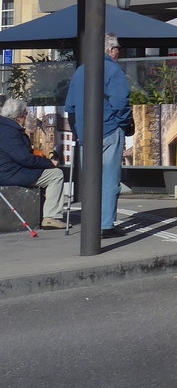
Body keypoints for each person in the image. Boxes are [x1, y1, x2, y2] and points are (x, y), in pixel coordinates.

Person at [64, 32, 132, 238]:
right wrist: (125, 124)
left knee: (91, 180)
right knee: (110, 180)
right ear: (110, 50)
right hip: (109, 129)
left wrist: (79, 131)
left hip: (86, 134)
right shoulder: (113, 70)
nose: (119, 52)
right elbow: (121, 103)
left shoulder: (80, 71)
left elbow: (71, 106)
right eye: (117, 49)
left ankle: (92, 222)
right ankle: (105, 225)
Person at [0, 95, 67, 229]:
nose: (26, 117)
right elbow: (24, 158)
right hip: (11, 173)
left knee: (45, 172)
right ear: (18, 116)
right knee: (56, 175)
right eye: (25, 114)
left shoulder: (4, 126)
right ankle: (51, 217)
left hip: (7, 170)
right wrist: (49, 163)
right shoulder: (10, 130)